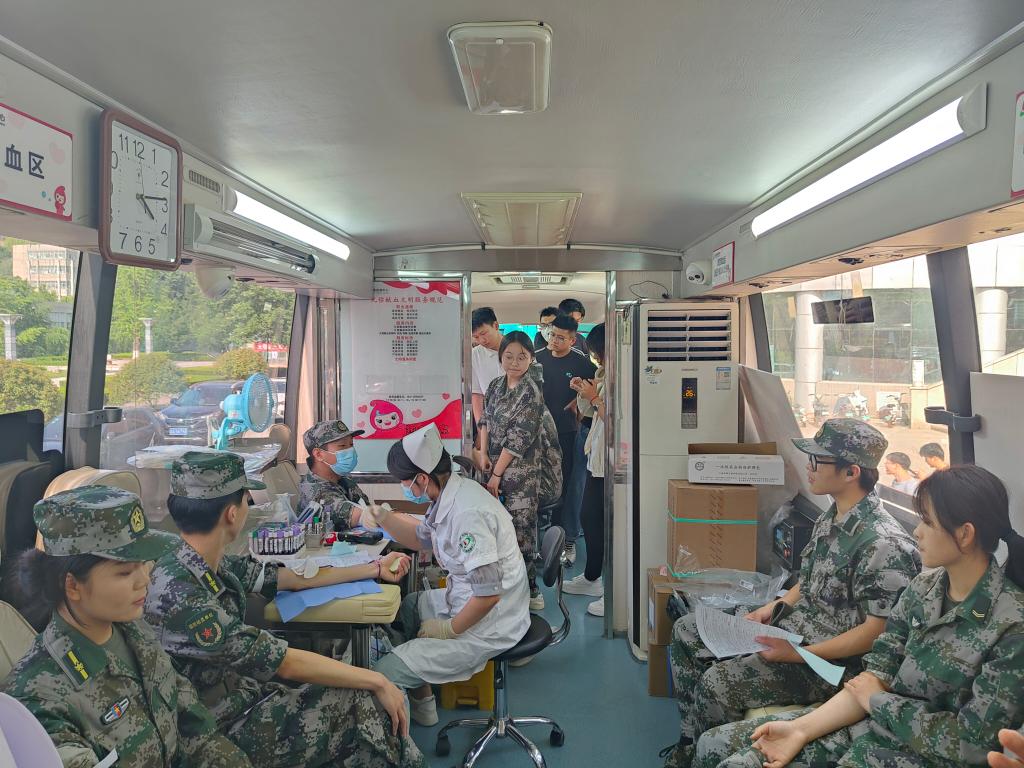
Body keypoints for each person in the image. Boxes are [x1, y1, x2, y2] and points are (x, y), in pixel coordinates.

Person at [694, 465, 1024, 768]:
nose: (917, 532)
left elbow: (973, 744)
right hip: (871, 726)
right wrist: (800, 729)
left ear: (965, 534)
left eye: (927, 522)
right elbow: (874, 676)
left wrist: (879, 702)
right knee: (716, 745)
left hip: (916, 754)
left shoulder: (1011, 627)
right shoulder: (923, 590)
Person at [662, 419, 921, 768]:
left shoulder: (884, 544)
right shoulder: (834, 515)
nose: (808, 467)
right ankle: (688, 743)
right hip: (796, 632)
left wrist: (800, 654)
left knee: (717, 683)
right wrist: (774, 606)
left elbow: (878, 631)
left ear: (851, 472)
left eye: (816, 461)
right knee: (686, 629)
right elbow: (812, 578)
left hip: (829, 664)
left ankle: (704, 754)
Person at [144, 451, 424, 768]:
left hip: (243, 696)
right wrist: (376, 680)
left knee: (365, 702)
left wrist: (375, 568)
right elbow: (284, 662)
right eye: (247, 500)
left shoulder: (202, 562)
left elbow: (291, 579)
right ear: (232, 514)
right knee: (370, 702)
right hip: (215, 728)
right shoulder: (181, 593)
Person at [2, 485, 252, 768]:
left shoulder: (136, 631)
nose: (144, 580)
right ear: (72, 585)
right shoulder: (39, 700)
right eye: (124, 572)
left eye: (144, 564)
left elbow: (197, 731)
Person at [360, 424, 530, 728]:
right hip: (469, 599)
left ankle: (401, 732)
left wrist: (448, 629)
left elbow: (489, 595)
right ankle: (423, 702)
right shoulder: (451, 493)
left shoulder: (467, 513)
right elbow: (421, 538)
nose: (403, 487)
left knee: (383, 675)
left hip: (488, 623)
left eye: (404, 481)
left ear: (422, 478)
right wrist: (384, 518)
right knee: (409, 606)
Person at [478, 331, 562, 611]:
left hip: (521, 476)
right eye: (509, 356)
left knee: (520, 532)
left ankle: (529, 589)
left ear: (531, 359)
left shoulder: (531, 393)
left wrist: (496, 475)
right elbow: (485, 420)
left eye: (521, 357)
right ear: (501, 357)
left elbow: (518, 440)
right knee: (497, 531)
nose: (514, 363)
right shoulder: (495, 386)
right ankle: (504, 589)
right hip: (493, 470)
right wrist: (482, 453)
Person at [536, 313, 596, 562]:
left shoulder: (582, 363)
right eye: (552, 334)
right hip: (539, 434)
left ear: (572, 340)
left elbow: (595, 389)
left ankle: (565, 539)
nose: (554, 340)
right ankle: (540, 540)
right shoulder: (537, 359)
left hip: (568, 432)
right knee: (541, 482)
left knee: (568, 484)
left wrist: (577, 403)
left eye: (561, 338)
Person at [563, 323, 607, 616]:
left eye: (598, 353)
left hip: (612, 458)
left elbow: (618, 418)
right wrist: (586, 392)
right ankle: (592, 577)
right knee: (589, 516)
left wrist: (593, 397)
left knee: (597, 520)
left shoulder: (625, 375)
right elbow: (594, 412)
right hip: (599, 454)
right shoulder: (605, 374)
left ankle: (606, 585)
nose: (597, 359)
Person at [298, 419, 369, 531]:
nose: (350, 450)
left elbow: (366, 506)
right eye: (342, 445)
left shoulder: (342, 478)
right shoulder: (315, 490)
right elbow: (361, 516)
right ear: (318, 454)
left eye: (351, 444)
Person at [470, 307, 505, 429]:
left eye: (484, 333)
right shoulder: (475, 355)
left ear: (496, 326)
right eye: (476, 337)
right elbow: (476, 394)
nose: (482, 340)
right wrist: (481, 429)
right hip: (492, 419)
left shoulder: (518, 347)